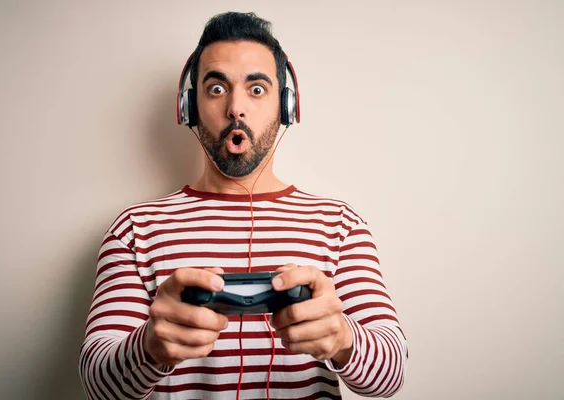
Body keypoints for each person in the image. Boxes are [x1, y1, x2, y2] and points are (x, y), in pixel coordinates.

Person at [79, 11, 408, 400]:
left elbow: (392, 375)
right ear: (189, 107)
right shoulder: (133, 229)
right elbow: (98, 386)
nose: (236, 107)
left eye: (256, 89)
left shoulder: (340, 225)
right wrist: (147, 347)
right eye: (217, 88)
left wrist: (343, 339)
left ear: (286, 107)